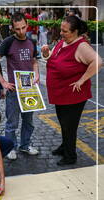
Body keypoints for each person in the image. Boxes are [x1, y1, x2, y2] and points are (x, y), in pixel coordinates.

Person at [41, 15, 102, 166]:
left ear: (75, 32)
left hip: (73, 96)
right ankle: (64, 146)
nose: (61, 33)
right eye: (61, 29)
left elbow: (98, 61)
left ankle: (70, 156)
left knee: (69, 126)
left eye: (65, 31)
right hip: (61, 93)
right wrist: (46, 54)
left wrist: (82, 79)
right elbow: (53, 60)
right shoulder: (63, 42)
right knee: (63, 123)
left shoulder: (81, 46)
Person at [0, 12, 39, 160]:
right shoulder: (8, 42)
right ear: (12, 28)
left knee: (28, 121)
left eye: (23, 27)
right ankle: (10, 147)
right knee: (12, 122)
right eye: (17, 29)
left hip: (29, 89)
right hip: (13, 90)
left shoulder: (32, 42)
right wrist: (3, 82)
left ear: (27, 25)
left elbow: (34, 61)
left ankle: (25, 146)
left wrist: (36, 75)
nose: (21, 31)